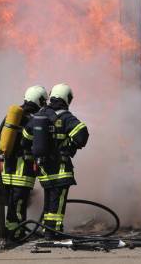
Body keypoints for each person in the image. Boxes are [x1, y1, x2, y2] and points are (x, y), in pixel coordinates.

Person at [22, 83, 89, 238]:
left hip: (44, 170)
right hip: (61, 170)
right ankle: (53, 231)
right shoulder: (65, 117)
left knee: (50, 201)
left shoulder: (40, 115)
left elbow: (25, 138)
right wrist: (70, 146)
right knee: (57, 204)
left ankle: (48, 229)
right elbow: (82, 134)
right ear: (66, 98)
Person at [0, 85, 48, 241]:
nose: (44, 104)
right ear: (38, 99)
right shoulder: (30, 119)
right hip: (22, 171)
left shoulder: (13, 117)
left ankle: (12, 233)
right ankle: (16, 236)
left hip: (8, 170)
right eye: (43, 101)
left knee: (13, 205)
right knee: (19, 205)